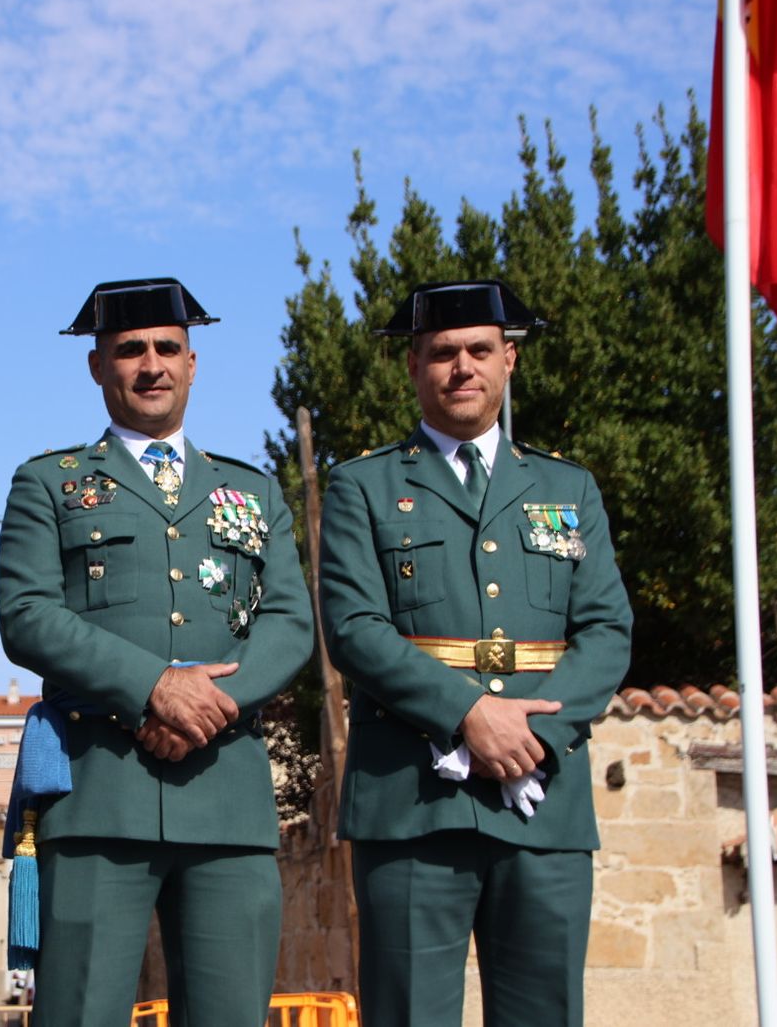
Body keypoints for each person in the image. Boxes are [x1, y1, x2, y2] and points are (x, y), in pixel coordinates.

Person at [0, 278, 314, 1027]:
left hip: (227, 797)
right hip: (101, 792)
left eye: (167, 348)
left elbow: (292, 623)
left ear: (193, 363)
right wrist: (153, 687)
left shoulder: (254, 491)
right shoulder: (50, 482)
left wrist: (209, 703)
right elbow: (26, 614)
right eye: (130, 350)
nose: (151, 365)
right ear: (99, 366)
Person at [318, 280, 633, 1027]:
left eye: (479, 350)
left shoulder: (567, 486)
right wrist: (469, 714)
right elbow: (355, 628)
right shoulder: (362, 485)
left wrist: (532, 736)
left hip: (543, 802)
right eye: (442, 352)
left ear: (509, 360)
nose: (462, 366)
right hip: (412, 803)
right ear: (414, 368)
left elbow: (607, 630)